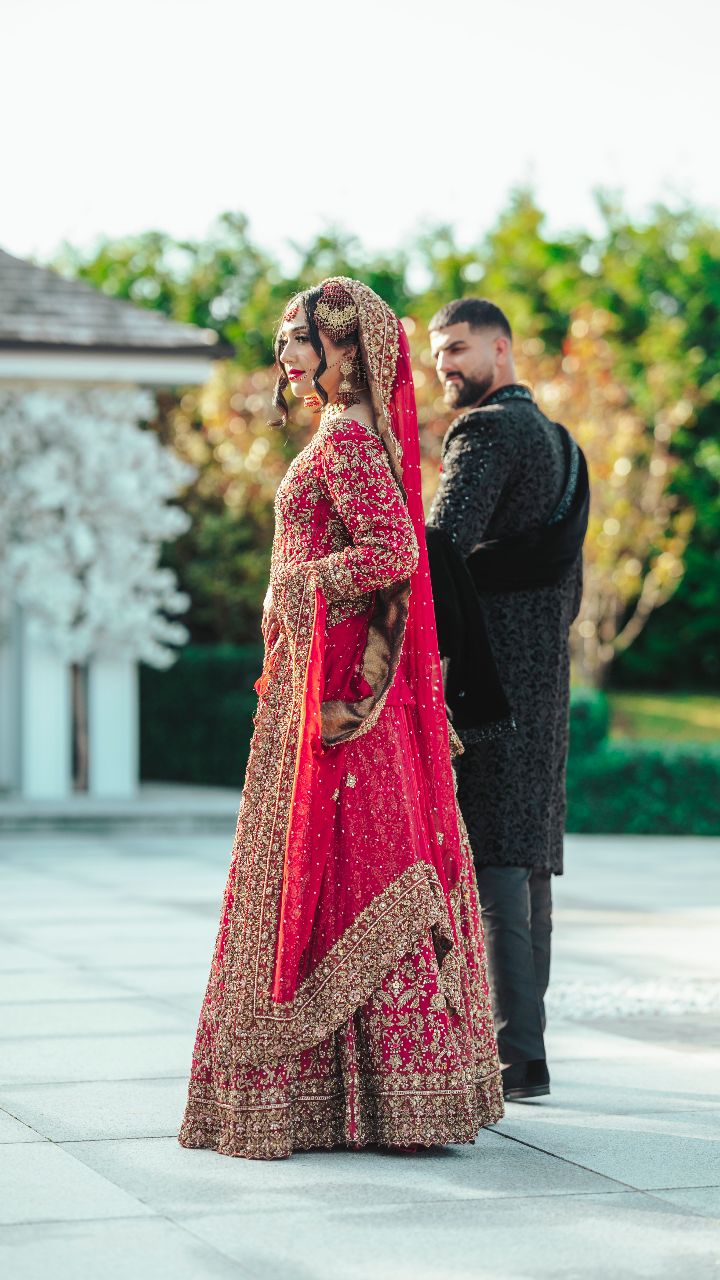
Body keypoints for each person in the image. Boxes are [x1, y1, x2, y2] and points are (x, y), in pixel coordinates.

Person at [179, 279, 503, 1160]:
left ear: (348, 351)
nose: (286, 352)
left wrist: (298, 584)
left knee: (355, 872)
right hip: (318, 689)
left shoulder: (350, 440)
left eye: (302, 339)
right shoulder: (339, 434)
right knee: (324, 873)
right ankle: (356, 1098)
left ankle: (388, 1097)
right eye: (284, 337)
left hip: (346, 709)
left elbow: (394, 550)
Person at [426, 298, 588, 1102]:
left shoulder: (485, 432)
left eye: (456, 348)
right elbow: (573, 588)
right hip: (545, 678)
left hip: (488, 678)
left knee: (494, 860)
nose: (444, 366)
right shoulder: (565, 446)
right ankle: (526, 1052)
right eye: (435, 355)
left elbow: (438, 548)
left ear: (502, 347)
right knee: (526, 864)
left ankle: (511, 1059)